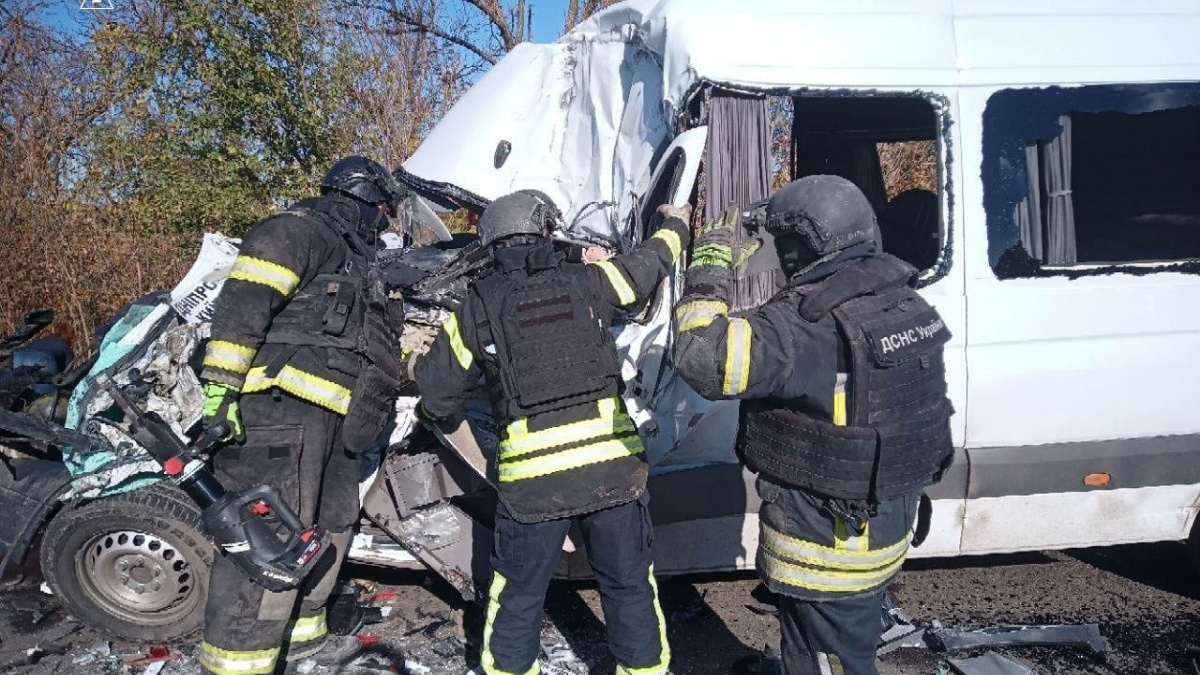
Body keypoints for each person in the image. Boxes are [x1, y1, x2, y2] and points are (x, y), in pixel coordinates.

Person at [672, 175, 953, 675]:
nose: (784, 258)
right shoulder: (903, 301)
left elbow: (703, 358)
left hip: (830, 547)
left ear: (812, 243)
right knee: (825, 641)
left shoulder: (803, 324)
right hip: (882, 522)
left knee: (832, 660)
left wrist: (709, 270)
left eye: (787, 245)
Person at [415, 190, 691, 675]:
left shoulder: (476, 308)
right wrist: (676, 223)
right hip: (612, 475)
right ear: (547, 231)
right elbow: (652, 263)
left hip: (533, 491)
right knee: (629, 588)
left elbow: (437, 399)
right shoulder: (591, 281)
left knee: (517, 596)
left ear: (491, 242)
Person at [197, 156, 407, 675]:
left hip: (340, 421)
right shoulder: (296, 230)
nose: (385, 222)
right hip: (280, 409)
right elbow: (244, 306)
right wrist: (221, 389)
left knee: (331, 528)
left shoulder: (360, 260)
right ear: (360, 197)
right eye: (383, 210)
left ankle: (304, 643)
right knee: (268, 542)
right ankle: (238, 664)